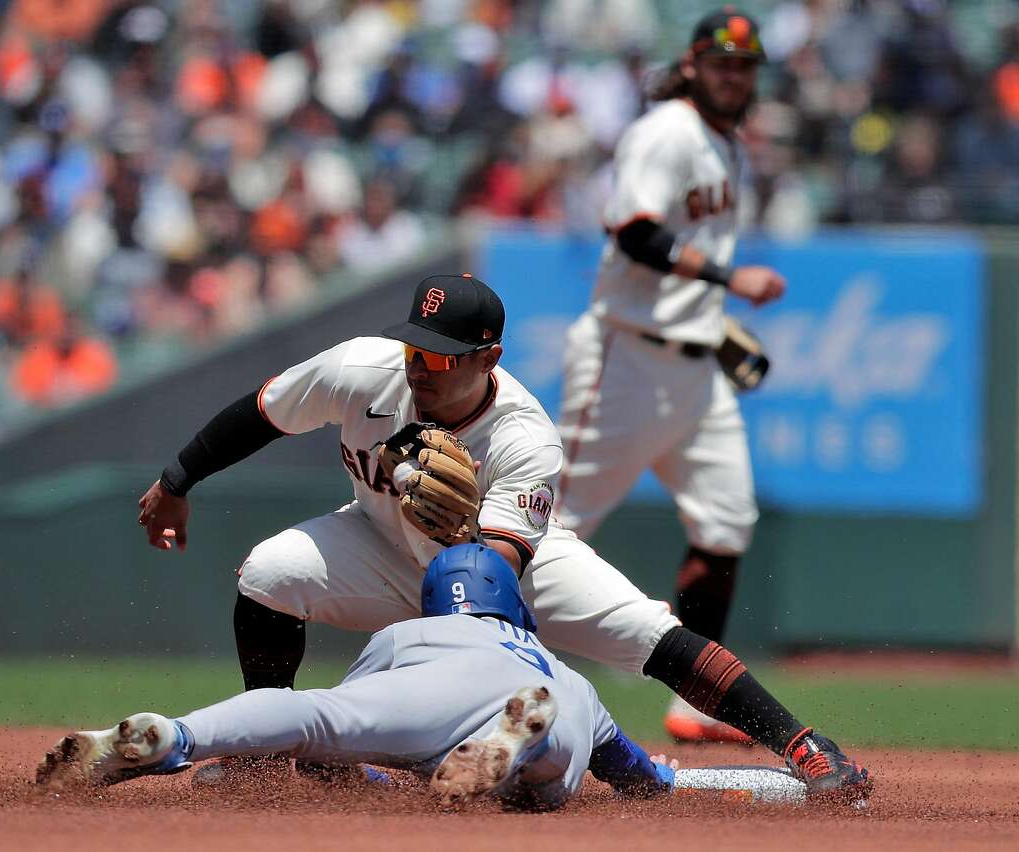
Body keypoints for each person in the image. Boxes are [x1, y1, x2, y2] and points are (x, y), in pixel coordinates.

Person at [136, 274, 869, 800]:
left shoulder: (524, 437)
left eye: (439, 355)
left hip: (510, 573)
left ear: (488, 358)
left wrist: (457, 533)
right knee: (270, 571)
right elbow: (260, 413)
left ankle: (805, 745)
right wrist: (176, 481)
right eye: (414, 348)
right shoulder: (364, 370)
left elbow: (495, 567)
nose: (417, 366)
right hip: (380, 543)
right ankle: (265, 759)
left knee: (648, 630)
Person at [555, 8, 787, 744]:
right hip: (625, 360)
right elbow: (634, 230)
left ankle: (697, 702)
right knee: (541, 527)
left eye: (746, 65)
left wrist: (711, 322)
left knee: (726, 522)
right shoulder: (667, 132)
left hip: (693, 370)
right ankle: (446, 671)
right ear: (691, 63)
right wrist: (726, 278)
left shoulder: (725, 144)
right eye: (722, 60)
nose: (734, 74)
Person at [36, 544, 675, 810]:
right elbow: (630, 774)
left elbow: (324, 750)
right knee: (555, 753)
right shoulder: (564, 672)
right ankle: (518, 744)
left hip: (431, 678)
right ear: (516, 608)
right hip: (549, 704)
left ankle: (175, 736)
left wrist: (376, 777)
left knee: (314, 714)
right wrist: (662, 780)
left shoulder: (408, 633)